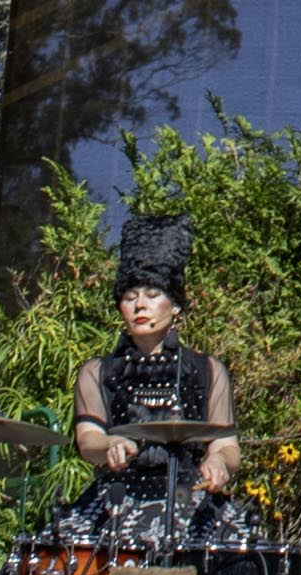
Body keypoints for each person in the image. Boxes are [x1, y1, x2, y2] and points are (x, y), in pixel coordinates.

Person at [73, 212, 243, 505]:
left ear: (175, 305)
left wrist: (219, 462)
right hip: (117, 501)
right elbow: (88, 439)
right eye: (129, 298)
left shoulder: (208, 370)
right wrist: (108, 444)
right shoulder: (96, 371)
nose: (140, 305)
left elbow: (227, 445)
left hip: (188, 498)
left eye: (152, 295)